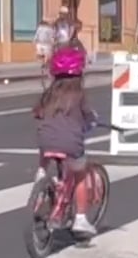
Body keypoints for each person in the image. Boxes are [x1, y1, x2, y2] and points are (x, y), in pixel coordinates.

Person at [33, 43, 101, 238]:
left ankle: (41, 171)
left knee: (46, 139)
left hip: (46, 143)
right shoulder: (79, 95)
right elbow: (88, 117)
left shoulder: (49, 94)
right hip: (71, 145)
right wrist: (92, 121)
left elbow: (37, 113)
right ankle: (80, 218)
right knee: (80, 174)